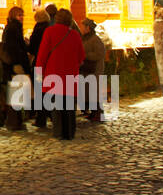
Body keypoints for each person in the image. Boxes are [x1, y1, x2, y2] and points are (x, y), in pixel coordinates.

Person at [36, 9, 85, 140]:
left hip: (53, 74)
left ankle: (58, 133)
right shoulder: (74, 34)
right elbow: (81, 56)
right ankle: (69, 132)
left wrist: (39, 72)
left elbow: (42, 54)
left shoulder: (50, 32)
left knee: (56, 106)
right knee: (69, 106)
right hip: (70, 75)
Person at [0, 6, 31, 130]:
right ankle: (13, 122)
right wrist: (18, 62)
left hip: (11, 65)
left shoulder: (12, 27)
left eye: (22, 15)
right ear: (14, 16)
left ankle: (15, 121)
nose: (21, 17)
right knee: (16, 93)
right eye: (19, 15)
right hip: (14, 65)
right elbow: (15, 48)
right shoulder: (14, 28)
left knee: (15, 92)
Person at [26, 8, 52, 129]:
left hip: (39, 62)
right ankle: (51, 115)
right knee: (48, 90)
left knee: (39, 91)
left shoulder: (38, 29)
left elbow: (32, 48)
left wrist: (27, 43)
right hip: (50, 63)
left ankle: (40, 118)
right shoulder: (50, 28)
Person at [79, 18, 107, 122]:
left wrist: (85, 55)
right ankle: (93, 112)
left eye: (83, 26)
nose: (82, 28)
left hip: (94, 69)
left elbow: (100, 53)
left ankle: (98, 113)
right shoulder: (85, 38)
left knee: (94, 92)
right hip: (87, 69)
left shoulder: (95, 39)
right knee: (89, 92)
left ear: (88, 28)